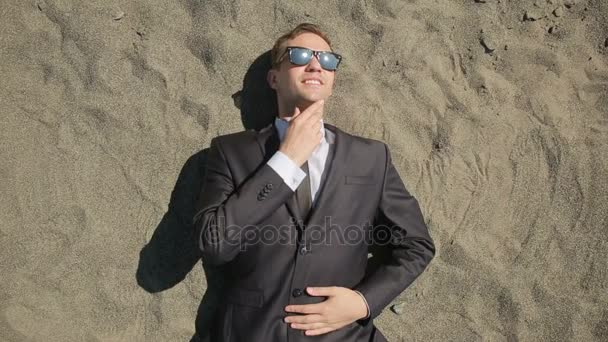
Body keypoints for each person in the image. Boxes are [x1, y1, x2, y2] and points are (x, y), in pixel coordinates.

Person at [193, 23, 435, 342]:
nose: (315, 64)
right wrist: (285, 162)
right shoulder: (231, 151)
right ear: (274, 78)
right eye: (300, 55)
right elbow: (214, 244)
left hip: (344, 336)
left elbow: (416, 245)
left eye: (327, 59)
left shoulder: (371, 157)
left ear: (332, 79)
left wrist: (362, 303)